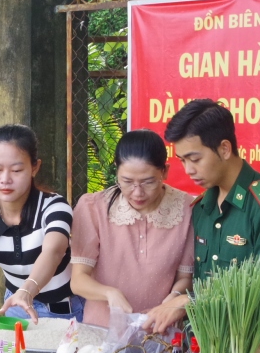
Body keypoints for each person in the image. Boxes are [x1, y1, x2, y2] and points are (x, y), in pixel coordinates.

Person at [0, 124, 79, 326]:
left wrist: (27, 290)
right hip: (14, 309)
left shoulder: (55, 206)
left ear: (34, 167)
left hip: (67, 312)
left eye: (17, 170)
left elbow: (54, 251)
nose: (5, 180)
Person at [70, 130, 195, 331]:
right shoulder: (94, 207)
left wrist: (174, 298)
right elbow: (78, 280)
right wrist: (109, 293)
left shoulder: (187, 209)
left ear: (164, 172)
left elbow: (184, 278)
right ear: (117, 172)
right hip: (103, 331)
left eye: (148, 182)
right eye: (127, 181)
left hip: (159, 331)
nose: (137, 192)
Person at [166, 99, 260, 280]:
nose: (188, 170)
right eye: (182, 160)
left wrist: (191, 302)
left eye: (195, 159)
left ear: (224, 149)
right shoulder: (203, 206)